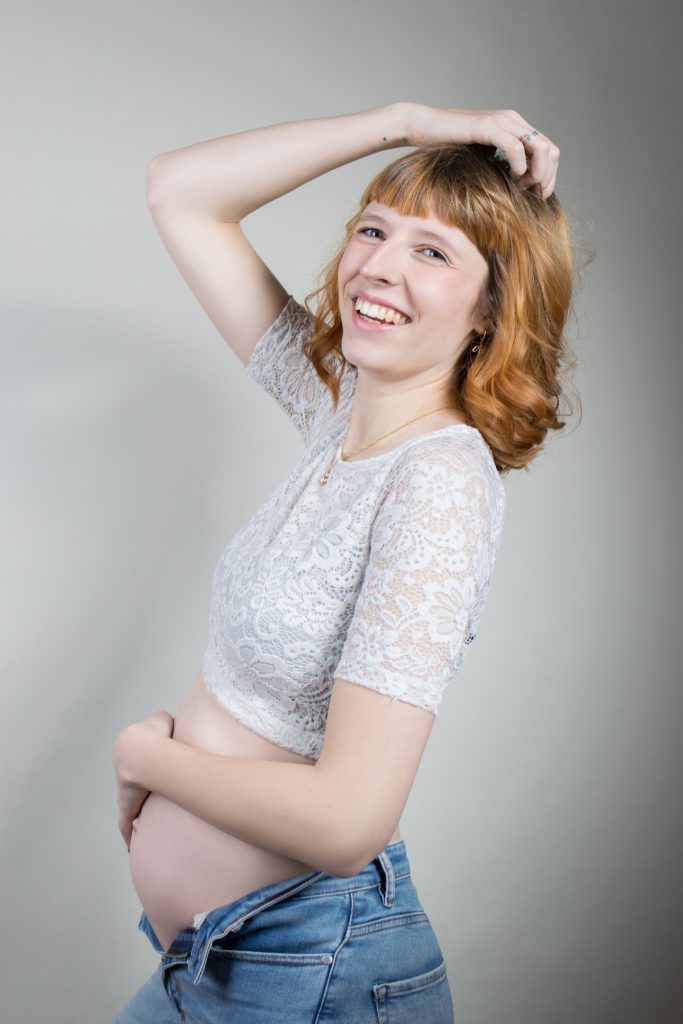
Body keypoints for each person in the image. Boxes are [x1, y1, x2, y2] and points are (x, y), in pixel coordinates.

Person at [110, 102, 573, 1023]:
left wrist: (146, 758)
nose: (380, 265)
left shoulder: (438, 481)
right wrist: (403, 122)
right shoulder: (337, 412)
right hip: (218, 960)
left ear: (491, 310)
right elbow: (181, 193)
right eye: (373, 228)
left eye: (434, 252)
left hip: (314, 974)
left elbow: (345, 822)